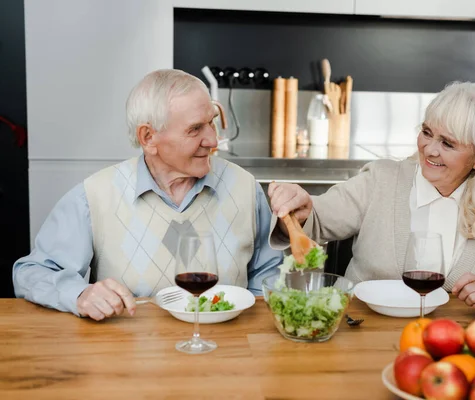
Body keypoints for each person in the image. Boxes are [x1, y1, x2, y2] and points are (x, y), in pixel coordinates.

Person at [269, 81, 475, 317]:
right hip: (364, 336)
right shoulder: (381, 180)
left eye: (448, 143)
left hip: (449, 348)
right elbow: (318, 218)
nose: (429, 150)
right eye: (427, 132)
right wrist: (302, 208)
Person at [13, 69, 282, 321]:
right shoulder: (95, 195)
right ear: (148, 137)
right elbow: (31, 272)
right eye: (195, 129)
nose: (212, 140)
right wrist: (80, 294)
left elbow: (270, 273)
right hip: (133, 358)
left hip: (227, 355)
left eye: (211, 122)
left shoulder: (245, 187)